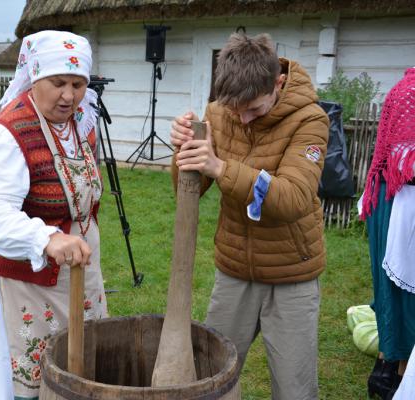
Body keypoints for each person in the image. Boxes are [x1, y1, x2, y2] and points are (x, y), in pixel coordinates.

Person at [170, 33, 329, 399]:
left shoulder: (310, 120)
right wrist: (184, 153)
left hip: (292, 274)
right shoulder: (218, 112)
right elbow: (187, 191)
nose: (242, 119)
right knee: (209, 378)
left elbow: (293, 197)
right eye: (234, 109)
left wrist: (220, 167)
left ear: (279, 82)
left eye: (254, 109)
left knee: (294, 388)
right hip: (234, 269)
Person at [0, 30, 107, 400]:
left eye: (78, 84)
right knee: (29, 379)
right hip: (24, 278)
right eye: (59, 83)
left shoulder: (81, 122)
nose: (70, 95)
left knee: (81, 367)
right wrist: (46, 237)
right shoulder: (8, 132)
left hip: (77, 270)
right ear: (35, 77)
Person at [359, 66, 415, 400]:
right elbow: (405, 163)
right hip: (401, 203)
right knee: (400, 292)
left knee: (392, 289)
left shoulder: (404, 87)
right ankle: (395, 370)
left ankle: (386, 367)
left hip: (389, 197)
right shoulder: (410, 94)